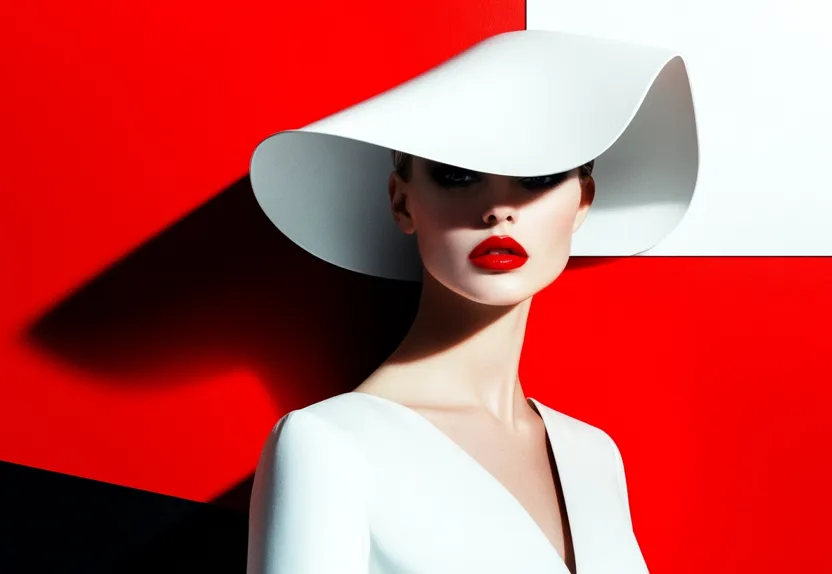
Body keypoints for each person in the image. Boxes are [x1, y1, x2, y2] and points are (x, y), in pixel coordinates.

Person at [244, 29, 699, 574]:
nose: (499, 210)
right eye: (459, 175)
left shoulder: (594, 455)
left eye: (537, 177)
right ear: (401, 200)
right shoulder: (328, 447)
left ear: (583, 202)